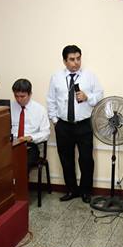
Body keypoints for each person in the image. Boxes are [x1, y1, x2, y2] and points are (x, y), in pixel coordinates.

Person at [46, 44, 104, 202]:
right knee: (66, 160)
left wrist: (88, 97)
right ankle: (72, 190)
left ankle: (86, 191)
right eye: (72, 59)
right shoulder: (56, 77)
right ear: (64, 61)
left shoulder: (89, 76)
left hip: (84, 125)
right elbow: (51, 100)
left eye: (78, 58)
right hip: (63, 126)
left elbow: (100, 94)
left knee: (86, 160)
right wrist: (55, 121)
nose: (76, 62)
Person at [10, 78, 50, 167]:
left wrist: (30, 137)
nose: (19, 99)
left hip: (30, 146)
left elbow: (46, 133)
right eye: (16, 96)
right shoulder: (10, 108)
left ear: (30, 94)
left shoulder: (40, 110)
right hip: (12, 144)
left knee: (22, 164)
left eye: (22, 96)